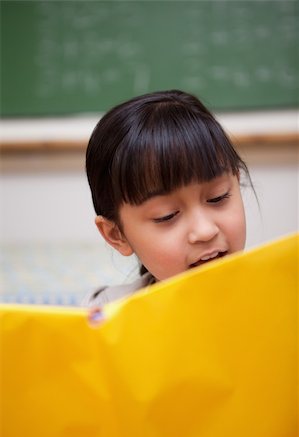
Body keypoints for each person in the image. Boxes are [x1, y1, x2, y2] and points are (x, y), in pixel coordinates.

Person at [83, 89, 251, 319]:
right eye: (167, 215)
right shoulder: (108, 316)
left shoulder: (283, 296)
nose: (204, 231)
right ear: (116, 235)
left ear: (236, 181)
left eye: (217, 197)